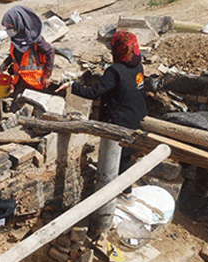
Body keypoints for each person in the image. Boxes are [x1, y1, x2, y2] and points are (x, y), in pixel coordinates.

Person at [56, 30, 148, 198]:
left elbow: (94, 93)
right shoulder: (137, 66)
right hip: (137, 117)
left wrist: (72, 85)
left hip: (119, 121)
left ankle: (109, 196)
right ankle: (126, 192)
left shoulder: (115, 71)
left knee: (113, 158)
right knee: (125, 158)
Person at [0, 6, 55, 104]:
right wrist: (5, 64)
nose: (7, 30)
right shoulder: (16, 38)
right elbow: (14, 54)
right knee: (16, 106)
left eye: (9, 28)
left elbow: (50, 52)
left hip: (33, 82)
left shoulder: (36, 40)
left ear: (18, 24)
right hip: (20, 81)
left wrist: (47, 76)